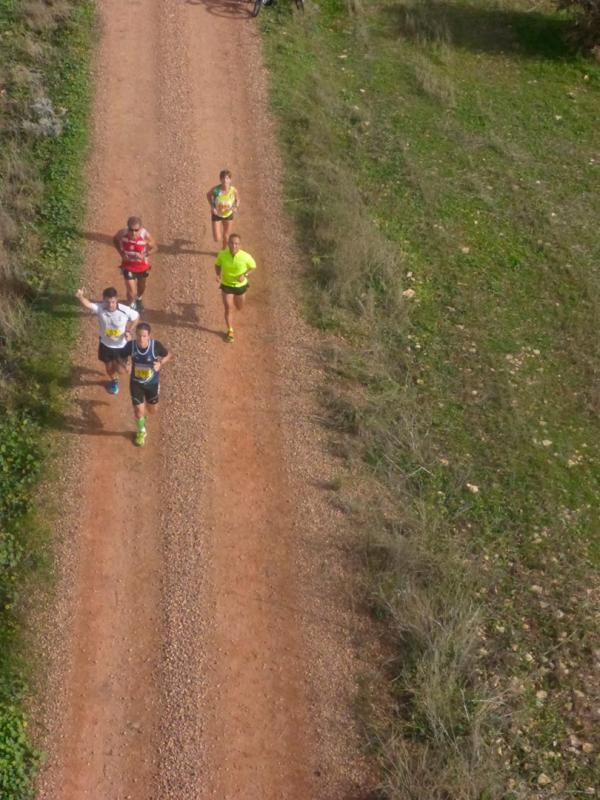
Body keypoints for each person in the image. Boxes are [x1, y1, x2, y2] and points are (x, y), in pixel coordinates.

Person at [75, 286, 139, 394]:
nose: (110, 305)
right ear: (104, 300)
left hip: (121, 346)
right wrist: (80, 297)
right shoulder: (100, 308)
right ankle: (114, 381)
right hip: (105, 345)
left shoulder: (125, 310)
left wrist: (128, 331)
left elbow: (136, 318)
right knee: (109, 368)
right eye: (108, 302)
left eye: (113, 302)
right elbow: (88, 304)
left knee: (122, 370)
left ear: (116, 299)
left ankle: (129, 365)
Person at [122, 323, 171, 446]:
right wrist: (125, 363)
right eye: (139, 336)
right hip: (136, 383)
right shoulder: (130, 346)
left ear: (149, 336)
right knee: (139, 411)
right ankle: (141, 431)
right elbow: (120, 357)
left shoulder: (156, 346)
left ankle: (149, 406)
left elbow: (168, 355)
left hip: (152, 384)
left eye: (144, 336)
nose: (141, 339)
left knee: (152, 410)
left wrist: (160, 363)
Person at [214, 233, 256, 343]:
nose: (234, 246)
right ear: (228, 244)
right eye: (232, 243)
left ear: (240, 245)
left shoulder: (246, 256)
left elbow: (253, 267)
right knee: (228, 307)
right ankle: (230, 330)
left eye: (236, 244)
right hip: (227, 285)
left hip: (240, 286)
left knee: (239, 306)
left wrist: (245, 275)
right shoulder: (222, 255)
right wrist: (218, 275)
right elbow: (217, 265)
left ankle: (237, 307)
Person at [113, 216, 157, 311]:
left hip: (142, 266)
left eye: (136, 230)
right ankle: (130, 306)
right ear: (127, 227)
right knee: (131, 290)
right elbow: (115, 240)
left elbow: (155, 248)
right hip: (128, 266)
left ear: (140, 228)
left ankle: (139, 299)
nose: (133, 232)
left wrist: (145, 254)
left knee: (141, 286)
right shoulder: (122, 233)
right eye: (131, 229)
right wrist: (121, 253)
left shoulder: (145, 235)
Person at [206, 170, 239, 250]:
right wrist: (212, 206)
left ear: (230, 180)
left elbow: (238, 200)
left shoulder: (233, 190)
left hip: (228, 215)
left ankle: (223, 250)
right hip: (217, 214)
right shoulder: (216, 190)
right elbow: (208, 195)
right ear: (220, 179)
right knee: (217, 238)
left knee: (226, 235)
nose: (225, 180)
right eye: (223, 178)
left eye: (227, 178)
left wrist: (235, 207)